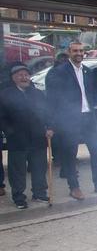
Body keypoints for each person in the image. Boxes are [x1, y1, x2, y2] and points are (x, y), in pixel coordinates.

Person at [45, 41, 97, 200]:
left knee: (96, 150)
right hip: (70, 118)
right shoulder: (59, 72)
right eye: (75, 51)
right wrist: (51, 123)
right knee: (70, 154)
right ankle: (74, 187)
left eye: (81, 51)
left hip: (89, 116)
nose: (79, 53)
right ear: (69, 52)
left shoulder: (88, 72)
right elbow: (52, 99)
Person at [0, 64, 50, 208]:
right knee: (17, 171)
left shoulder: (38, 93)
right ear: (13, 78)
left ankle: (39, 193)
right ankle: (19, 197)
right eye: (20, 75)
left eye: (26, 75)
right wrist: (9, 131)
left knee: (39, 167)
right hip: (17, 139)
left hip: (38, 137)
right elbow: (1, 117)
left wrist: (50, 127)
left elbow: (47, 113)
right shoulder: (5, 95)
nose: (24, 77)